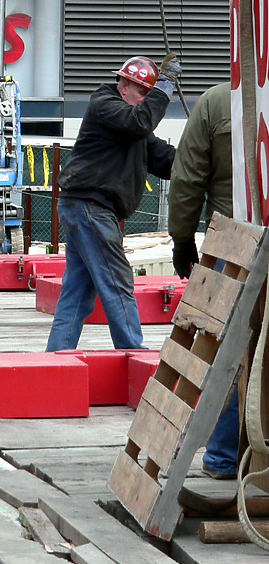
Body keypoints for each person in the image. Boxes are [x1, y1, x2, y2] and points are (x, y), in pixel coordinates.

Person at [46, 55, 178, 352]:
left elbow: (163, 158)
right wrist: (166, 86)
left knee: (77, 294)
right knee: (118, 282)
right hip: (90, 208)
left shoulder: (132, 125)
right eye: (143, 92)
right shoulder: (105, 105)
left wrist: (202, 162)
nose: (146, 100)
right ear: (125, 86)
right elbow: (141, 121)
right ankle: (133, 352)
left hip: (84, 209)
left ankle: (56, 357)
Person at [168, 81, 236, 478]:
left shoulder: (216, 101)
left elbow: (188, 177)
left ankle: (224, 456)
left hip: (230, 245)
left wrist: (182, 238)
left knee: (224, 353)